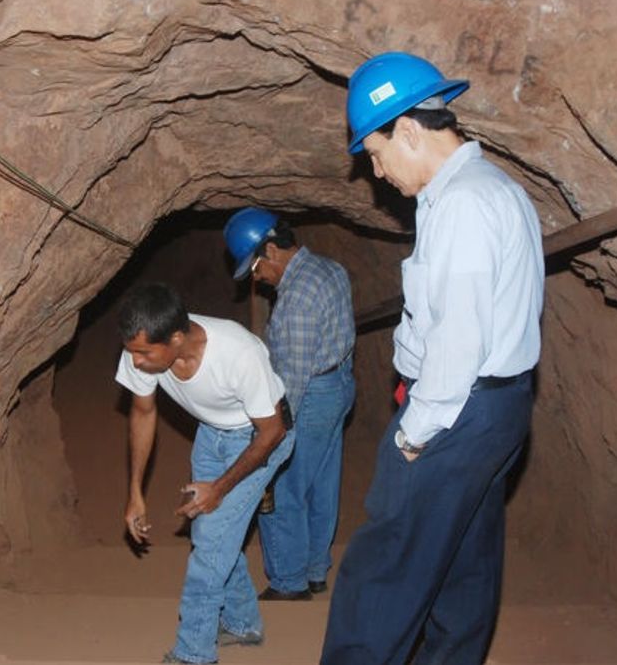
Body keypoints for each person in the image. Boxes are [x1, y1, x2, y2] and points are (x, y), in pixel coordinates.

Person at [320, 51, 545, 665]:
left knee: (381, 570)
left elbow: (458, 337)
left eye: (376, 153)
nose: (376, 172)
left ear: (409, 131)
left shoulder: (463, 205)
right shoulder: (493, 189)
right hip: (498, 409)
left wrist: (415, 432)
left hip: (457, 412)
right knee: (464, 565)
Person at [115, 282, 295, 665]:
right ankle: (242, 623)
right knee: (211, 534)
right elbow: (143, 413)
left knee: (211, 544)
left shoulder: (238, 352)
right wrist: (135, 492)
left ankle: (194, 653)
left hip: (262, 437)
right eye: (132, 352)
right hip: (212, 434)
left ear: (176, 339)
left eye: (144, 353)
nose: (136, 362)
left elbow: (273, 432)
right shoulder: (142, 348)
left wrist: (220, 487)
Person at [223, 208, 356, 600]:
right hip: (339, 384)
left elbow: (294, 380)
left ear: (270, 250)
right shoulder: (330, 269)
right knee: (322, 482)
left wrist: (271, 432)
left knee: (281, 486)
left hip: (310, 396)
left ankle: (289, 581)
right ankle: (315, 569)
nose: (256, 277)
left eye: (255, 267)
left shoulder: (296, 298)